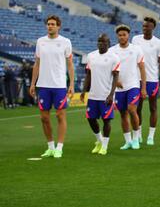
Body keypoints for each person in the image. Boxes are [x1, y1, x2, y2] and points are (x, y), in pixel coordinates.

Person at [29, 15, 74, 158]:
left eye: (53, 24)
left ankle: (59, 147)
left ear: (58, 26)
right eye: (48, 24)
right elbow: (37, 63)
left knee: (60, 115)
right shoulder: (40, 42)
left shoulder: (65, 42)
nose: (50, 26)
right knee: (44, 118)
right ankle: (50, 146)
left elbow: (70, 64)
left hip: (59, 85)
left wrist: (71, 84)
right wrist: (32, 83)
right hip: (43, 85)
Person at [80, 34, 120, 155]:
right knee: (90, 119)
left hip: (106, 94)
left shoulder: (114, 58)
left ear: (108, 43)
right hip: (93, 95)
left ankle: (105, 146)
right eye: (99, 41)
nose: (101, 43)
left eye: (103, 42)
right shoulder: (91, 56)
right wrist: (83, 91)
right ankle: (99, 140)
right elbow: (88, 75)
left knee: (106, 120)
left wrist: (111, 94)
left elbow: (116, 77)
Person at [110, 24, 147, 150]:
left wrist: (143, 87)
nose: (121, 37)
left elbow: (142, 68)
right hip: (119, 88)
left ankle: (136, 138)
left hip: (133, 85)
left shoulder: (136, 49)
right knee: (123, 114)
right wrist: (115, 82)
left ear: (128, 35)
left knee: (132, 109)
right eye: (119, 35)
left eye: (124, 35)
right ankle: (128, 141)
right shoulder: (112, 51)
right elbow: (109, 69)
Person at [132, 17, 160, 146]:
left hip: (152, 79)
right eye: (144, 26)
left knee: (153, 107)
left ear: (153, 28)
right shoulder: (135, 40)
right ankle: (139, 134)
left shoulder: (159, 43)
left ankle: (151, 136)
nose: (145, 28)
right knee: (137, 108)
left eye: (148, 26)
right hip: (137, 78)